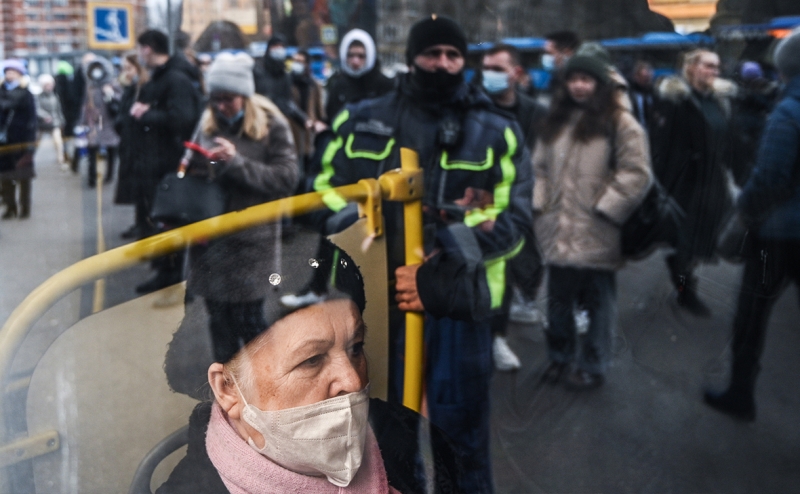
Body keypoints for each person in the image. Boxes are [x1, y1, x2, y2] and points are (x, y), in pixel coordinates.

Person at [309, 15, 532, 492]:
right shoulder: (361, 118)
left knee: (461, 437)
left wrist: (446, 254)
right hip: (377, 301)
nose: (443, 63)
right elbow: (322, 189)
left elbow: (514, 221)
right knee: (385, 433)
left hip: (457, 304)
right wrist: (362, 224)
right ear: (412, 58)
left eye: (453, 55)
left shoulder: (497, 130)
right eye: (433, 53)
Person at [157, 227, 461, 493]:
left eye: (355, 347)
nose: (353, 381)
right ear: (227, 388)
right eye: (312, 360)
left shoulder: (412, 440)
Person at [533, 53, 652, 390]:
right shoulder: (556, 120)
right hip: (557, 227)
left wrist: (607, 208)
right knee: (558, 300)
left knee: (599, 303)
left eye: (586, 80)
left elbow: (637, 172)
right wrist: (539, 203)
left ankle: (593, 364)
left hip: (598, 228)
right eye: (573, 79)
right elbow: (538, 167)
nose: (579, 86)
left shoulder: (620, 121)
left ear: (599, 84)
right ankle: (559, 356)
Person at [703, 29, 800, 422]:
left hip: (776, 236)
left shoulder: (788, 111)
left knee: (751, 316)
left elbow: (770, 178)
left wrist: (742, 211)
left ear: (784, 68)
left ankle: (740, 394)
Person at [651, 49, 738, 317]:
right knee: (685, 242)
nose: (714, 72)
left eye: (716, 67)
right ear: (692, 68)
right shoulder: (676, 101)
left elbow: (728, 140)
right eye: (708, 66)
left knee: (706, 239)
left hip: (713, 182)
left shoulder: (718, 101)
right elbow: (661, 146)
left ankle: (682, 271)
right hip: (685, 185)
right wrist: (664, 186)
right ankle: (684, 290)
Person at [480, 43, 548, 370]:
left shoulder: (536, 113)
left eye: (497, 69)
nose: (489, 75)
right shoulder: (474, 106)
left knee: (508, 276)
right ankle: (483, 337)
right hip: (479, 204)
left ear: (516, 73)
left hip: (520, 205)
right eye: (486, 68)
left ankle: (497, 336)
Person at [131, 30, 203, 294]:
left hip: (168, 164)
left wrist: (146, 114)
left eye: (140, 48)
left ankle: (172, 278)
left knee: (170, 220)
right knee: (162, 219)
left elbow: (182, 119)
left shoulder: (175, 79)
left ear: (148, 48)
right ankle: (166, 273)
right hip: (158, 162)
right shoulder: (164, 77)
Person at [184, 52, 299, 215]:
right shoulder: (207, 122)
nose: (221, 106)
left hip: (255, 225)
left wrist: (235, 162)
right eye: (216, 99)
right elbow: (191, 167)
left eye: (228, 99)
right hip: (211, 224)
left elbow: (287, 179)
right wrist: (201, 163)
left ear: (244, 97)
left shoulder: (272, 124)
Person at [112, 52, 149, 239]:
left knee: (141, 189)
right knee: (136, 189)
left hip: (138, 146)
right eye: (124, 69)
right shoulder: (131, 89)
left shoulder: (141, 90)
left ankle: (143, 225)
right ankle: (139, 223)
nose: (125, 73)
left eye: (129, 68)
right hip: (129, 143)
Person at [324, 29, 394, 122]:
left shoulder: (384, 84)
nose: (355, 61)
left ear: (369, 55)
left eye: (361, 56)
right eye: (351, 55)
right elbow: (331, 118)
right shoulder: (338, 85)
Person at [0, 59, 37, 219]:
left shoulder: (26, 94)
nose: (10, 75)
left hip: (22, 141)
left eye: (13, 72)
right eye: (7, 72)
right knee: (5, 177)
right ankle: (10, 207)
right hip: (3, 142)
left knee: (24, 176)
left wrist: (30, 143)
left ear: (20, 74)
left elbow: (32, 120)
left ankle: (25, 207)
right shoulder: (1, 92)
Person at [79, 54, 121, 187]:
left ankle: (109, 175)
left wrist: (110, 94)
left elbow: (120, 101)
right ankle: (92, 178)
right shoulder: (90, 88)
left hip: (110, 123)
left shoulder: (112, 85)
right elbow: (86, 106)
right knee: (92, 151)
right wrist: (83, 123)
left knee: (111, 151)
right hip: (95, 123)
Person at [254, 35, 309, 130]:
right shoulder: (258, 71)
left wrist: (303, 119)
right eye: (275, 46)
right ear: (269, 48)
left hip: (279, 123)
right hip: (260, 121)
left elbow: (287, 102)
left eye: (281, 46)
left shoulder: (285, 75)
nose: (278, 50)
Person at [290, 49, 326, 175]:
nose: (296, 64)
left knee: (308, 169)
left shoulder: (314, 85)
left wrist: (319, 123)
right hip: (292, 132)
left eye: (300, 61)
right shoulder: (288, 83)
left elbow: (319, 110)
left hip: (309, 133)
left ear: (306, 64)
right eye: (295, 61)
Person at [35, 74, 67, 170]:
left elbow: (58, 110)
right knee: (35, 143)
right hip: (42, 124)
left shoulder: (55, 96)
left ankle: (61, 160)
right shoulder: (39, 97)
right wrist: (45, 116)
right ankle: (29, 160)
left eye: (50, 85)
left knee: (58, 143)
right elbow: (37, 109)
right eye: (47, 85)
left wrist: (62, 121)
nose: (49, 87)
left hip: (54, 123)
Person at [628, 60, 656, 131]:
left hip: (652, 131)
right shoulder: (630, 94)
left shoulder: (654, 93)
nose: (646, 81)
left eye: (648, 77)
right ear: (636, 77)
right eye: (643, 77)